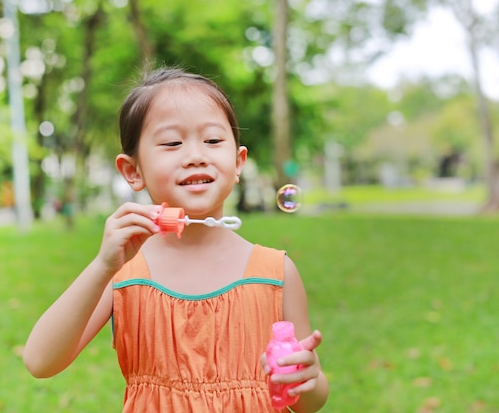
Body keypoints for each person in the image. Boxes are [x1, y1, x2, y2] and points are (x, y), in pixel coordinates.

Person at [23, 68, 329, 412]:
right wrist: (102, 266)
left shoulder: (276, 272)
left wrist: (309, 379)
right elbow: (40, 361)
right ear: (132, 171)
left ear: (238, 161)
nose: (196, 154)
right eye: (172, 143)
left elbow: (307, 402)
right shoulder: (123, 272)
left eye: (213, 141)